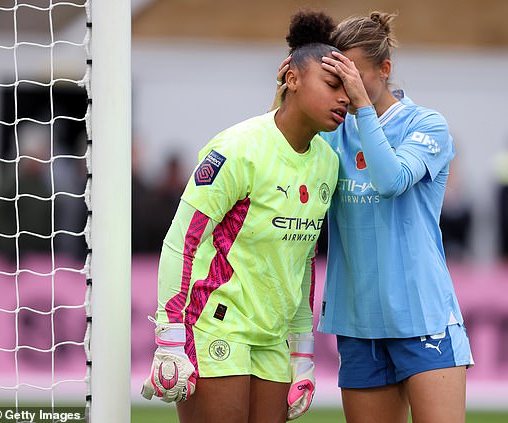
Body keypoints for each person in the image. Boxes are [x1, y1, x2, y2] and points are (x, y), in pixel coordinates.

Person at [141, 11, 348, 423]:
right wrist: (169, 336)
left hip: (272, 338)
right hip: (218, 324)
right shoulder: (237, 148)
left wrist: (303, 351)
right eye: (332, 85)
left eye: (348, 88)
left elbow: (303, 261)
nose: (344, 98)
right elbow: (182, 240)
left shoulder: (328, 162)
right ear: (291, 79)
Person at [274, 11, 474, 423]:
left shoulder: (427, 125)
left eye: (353, 78)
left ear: (385, 70)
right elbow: (276, 149)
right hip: (358, 324)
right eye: (335, 81)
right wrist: (286, 93)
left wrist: (363, 108)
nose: (344, 92)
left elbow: (390, 179)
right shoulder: (332, 130)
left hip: (424, 319)